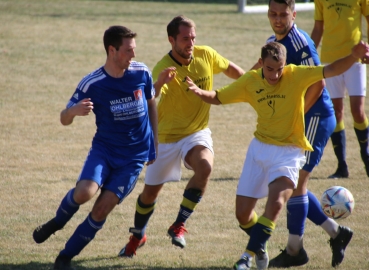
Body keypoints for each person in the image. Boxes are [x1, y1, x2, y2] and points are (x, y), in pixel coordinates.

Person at [185, 41, 369, 270]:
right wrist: (198, 91)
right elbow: (218, 96)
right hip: (259, 150)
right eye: (270, 69)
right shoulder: (250, 81)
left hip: (289, 153)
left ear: (286, 65)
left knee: (276, 203)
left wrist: (353, 56)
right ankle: (260, 246)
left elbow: (330, 70)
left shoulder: (296, 75)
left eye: (280, 68)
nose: (275, 75)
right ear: (261, 63)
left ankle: (247, 256)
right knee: (242, 214)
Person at [117, 15, 245, 258]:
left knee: (205, 167)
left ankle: (178, 225)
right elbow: (147, 98)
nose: (191, 43)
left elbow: (230, 69)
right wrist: (159, 83)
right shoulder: (163, 66)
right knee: (150, 194)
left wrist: (251, 79)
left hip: (196, 133)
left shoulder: (206, 54)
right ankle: (138, 235)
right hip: (165, 137)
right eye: (185, 38)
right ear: (171, 40)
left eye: (193, 37)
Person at [32, 26, 158, 270]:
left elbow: (152, 103)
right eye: (128, 50)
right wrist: (73, 111)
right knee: (84, 193)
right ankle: (57, 222)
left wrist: (155, 142)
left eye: (134, 50)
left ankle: (64, 258)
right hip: (105, 151)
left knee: (101, 209)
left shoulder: (141, 72)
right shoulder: (93, 83)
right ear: (112, 50)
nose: (133, 55)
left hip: (133, 158)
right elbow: (63, 118)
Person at [247, 0, 353, 268]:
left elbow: (318, 83)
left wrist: (297, 114)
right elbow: (260, 70)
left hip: (316, 117)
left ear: (294, 14)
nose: (278, 19)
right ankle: (335, 233)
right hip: (305, 120)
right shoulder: (275, 40)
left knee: (295, 183)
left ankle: (295, 250)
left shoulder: (300, 43)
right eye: (273, 14)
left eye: (284, 14)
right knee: (294, 183)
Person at [311, 0, 369, 179]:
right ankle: (341, 166)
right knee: (336, 112)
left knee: (358, 111)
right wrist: (309, 55)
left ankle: (366, 157)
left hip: (355, 59)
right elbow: (318, 28)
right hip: (330, 61)